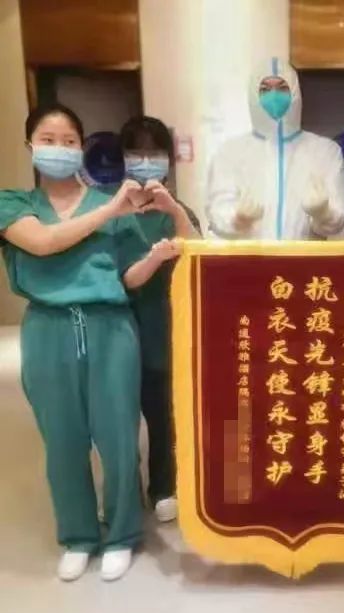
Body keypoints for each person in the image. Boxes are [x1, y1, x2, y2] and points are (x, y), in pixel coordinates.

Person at [0, 104, 181, 582]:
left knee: (118, 437)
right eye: (48, 139)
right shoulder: (14, 203)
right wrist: (109, 210)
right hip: (48, 329)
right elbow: (42, 243)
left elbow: (128, 276)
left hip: (110, 328)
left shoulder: (111, 203)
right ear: (30, 146)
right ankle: (78, 535)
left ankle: (121, 533)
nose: (59, 148)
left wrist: (156, 257)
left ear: (82, 148)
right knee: (62, 440)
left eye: (68, 140)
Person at [119, 115, 201, 522]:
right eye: (136, 152)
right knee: (120, 417)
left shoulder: (178, 210)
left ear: (169, 159)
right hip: (123, 326)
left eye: (155, 152)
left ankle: (165, 486)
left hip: (168, 328)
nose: (146, 160)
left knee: (166, 413)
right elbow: (125, 278)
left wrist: (174, 210)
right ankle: (123, 490)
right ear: (123, 158)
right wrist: (154, 259)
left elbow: (200, 253)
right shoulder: (113, 212)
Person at [206, 56, 344, 240]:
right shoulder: (230, 153)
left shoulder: (325, 152)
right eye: (265, 89)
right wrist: (237, 220)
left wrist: (324, 213)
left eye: (282, 88)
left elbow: (337, 221)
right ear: (253, 96)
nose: (274, 96)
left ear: (295, 93)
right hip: (249, 258)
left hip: (304, 257)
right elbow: (217, 213)